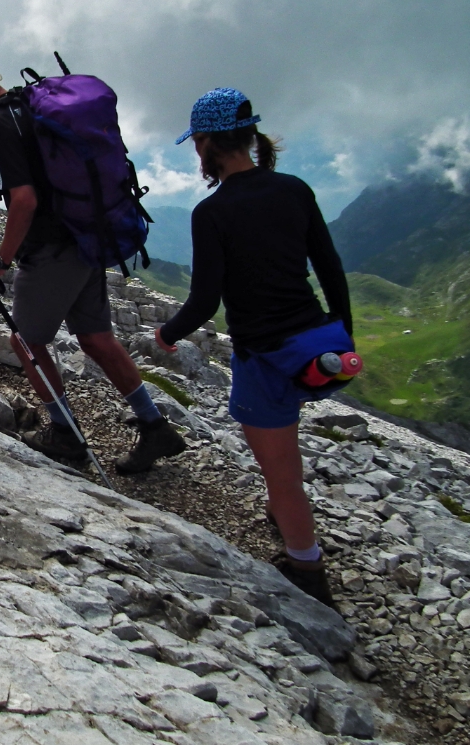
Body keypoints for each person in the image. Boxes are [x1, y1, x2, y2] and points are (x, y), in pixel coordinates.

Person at [156, 87, 353, 606]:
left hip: (263, 356)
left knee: (281, 474)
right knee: (285, 458)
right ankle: (286, 513)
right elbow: (330, 268)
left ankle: (307, 569)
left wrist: (167, 334)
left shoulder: (212, 212)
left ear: (205, 143)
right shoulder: (294, 189)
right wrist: (343, 331)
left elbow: (205, 300)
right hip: (316, 345)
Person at [0, 50, 187, 474]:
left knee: (27, 342)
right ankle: (155, 426)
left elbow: (24, 200)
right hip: (87, 235)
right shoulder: (31, 105)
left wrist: (0, 262)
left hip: (52, 249)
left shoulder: (0, 124)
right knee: (96, 338)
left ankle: (66, 436)